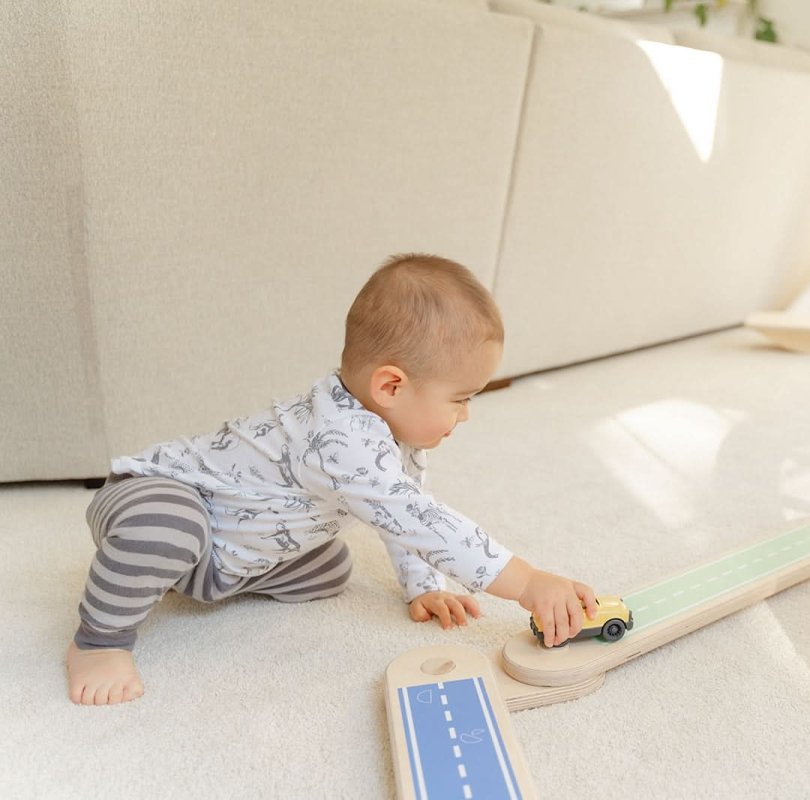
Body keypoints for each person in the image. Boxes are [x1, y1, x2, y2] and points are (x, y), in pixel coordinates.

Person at [66, 253, 598, 705]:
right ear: (391, 386)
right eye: (460, 399)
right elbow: (421, 519)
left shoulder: (394, 435)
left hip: (225, 554)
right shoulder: (339, 437)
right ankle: (99, 641)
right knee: (167, 527)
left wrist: (423, 586)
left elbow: (404, 512)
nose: (464, 416)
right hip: (155, 496)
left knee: (331, 569)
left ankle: (207, 579)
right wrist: (526, 582)